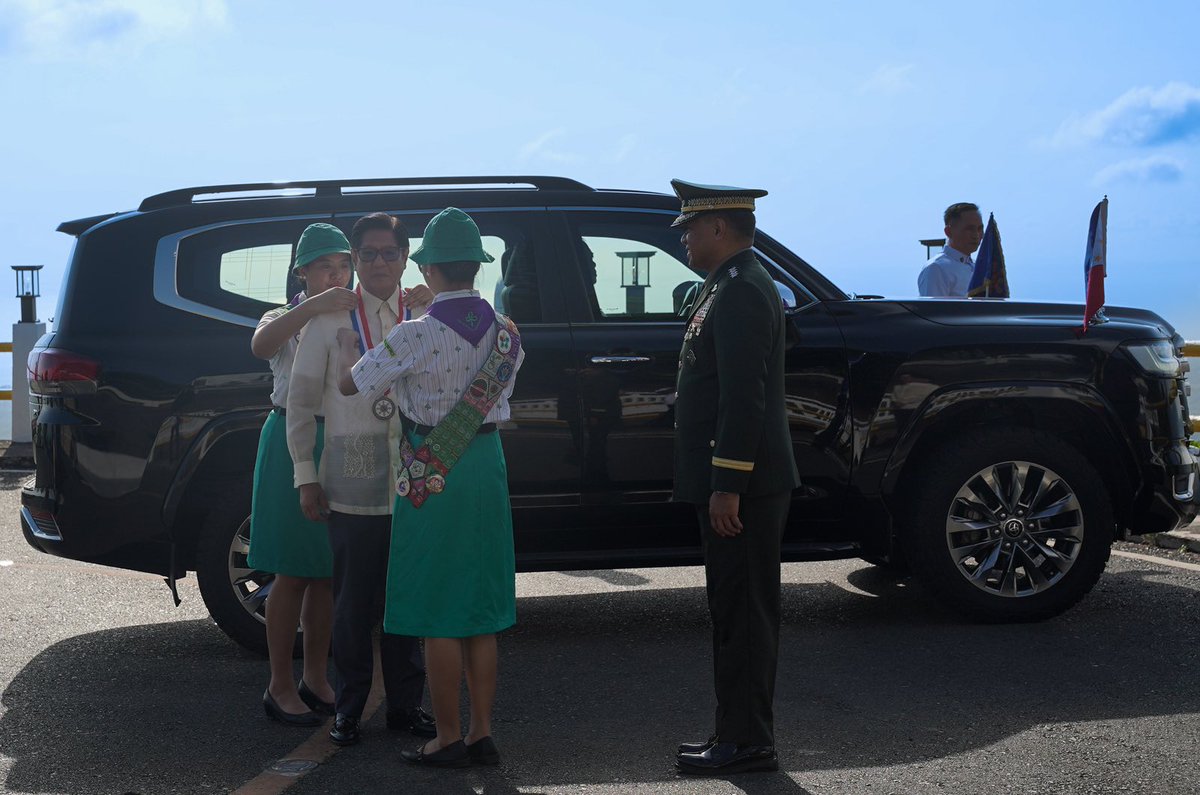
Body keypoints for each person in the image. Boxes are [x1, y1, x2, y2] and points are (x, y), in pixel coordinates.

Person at [335, 207, 524, 769]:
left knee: (439, 607)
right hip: (486, 464)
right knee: (481, 607)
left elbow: (352, 384)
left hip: (431, 470)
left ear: (430, 271)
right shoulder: (507, 333)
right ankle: (482, 730)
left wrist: (352, 353)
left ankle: (445, 736)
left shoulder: (414, 333)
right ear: (476, 269)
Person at [286, 212, 436, 746]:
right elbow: (301, 403)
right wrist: (306, 474)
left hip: (415, 475)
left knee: (407, 596)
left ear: (404, 258)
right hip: (351, 478)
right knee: (351, 602)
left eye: (389, 253)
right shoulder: (331, 318)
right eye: (367, 254)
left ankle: (405, 705)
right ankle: (349, 706)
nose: (379, 263)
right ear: (354, 260)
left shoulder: (424, 314)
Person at [668, 179, 800, 776]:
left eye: (691, 228)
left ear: (719, 227)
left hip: (742, 487)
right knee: (732, 610)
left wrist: (727, 482)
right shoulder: (727, 285)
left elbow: (744, 398)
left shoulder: (743, 289)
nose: (686, 239)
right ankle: (735, 732)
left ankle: (748, 743)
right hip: (735, 483)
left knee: (744, 614)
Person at [248, 222, 355, 726]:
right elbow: (261, 344)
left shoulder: (355, 314)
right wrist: (311, 308)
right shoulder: (285, 314)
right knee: (291, 571)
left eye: (342, 265)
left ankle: (315, 676)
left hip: (338, 441)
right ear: (303, 272)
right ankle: (279, 684)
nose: (336, 275)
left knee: (326, 573)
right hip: (290, 441)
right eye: (324, 267)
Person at [918, 202, 984, 296]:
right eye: (969, 229)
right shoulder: (937, 268)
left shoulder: (978, 267)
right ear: (948, 232)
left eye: (980, 229)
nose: (976, 235)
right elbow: (933, 309)